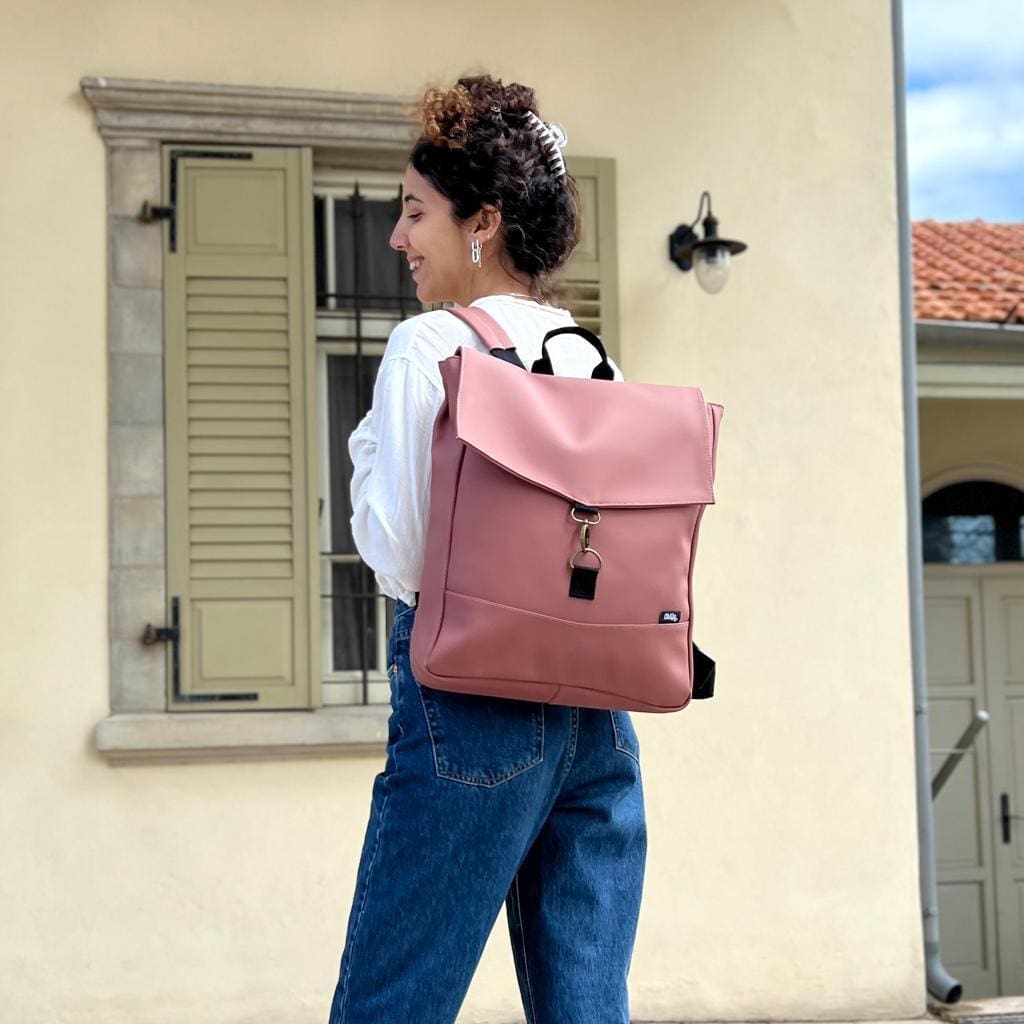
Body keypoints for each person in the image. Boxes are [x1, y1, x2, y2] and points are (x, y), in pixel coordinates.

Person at [327, 73, 646, 1024]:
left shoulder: (429, 346)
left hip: (470, 709)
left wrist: (365, 451)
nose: (398, 237)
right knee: (586, 1007)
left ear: (484, 222)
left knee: (395, 999)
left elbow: (402, 555)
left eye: (414, 211)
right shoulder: (594, 356)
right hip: (597, 716)